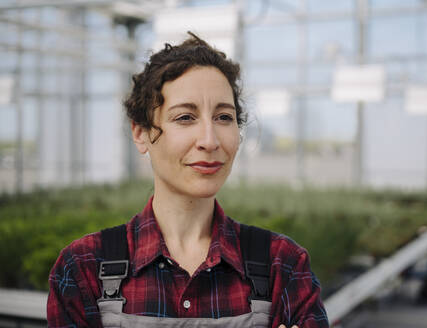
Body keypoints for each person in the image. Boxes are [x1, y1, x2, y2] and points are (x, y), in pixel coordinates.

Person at [47, 32, 330, 328]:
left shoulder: (283, 266)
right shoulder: (83, 268)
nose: (209, 140)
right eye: (185, 117)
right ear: (141, 133)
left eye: (223, 117)